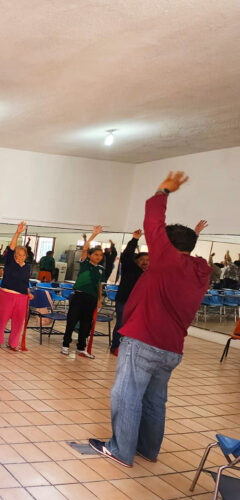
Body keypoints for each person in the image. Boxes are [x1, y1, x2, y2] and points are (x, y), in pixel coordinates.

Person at [90, 172, 211, 467]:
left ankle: (120, 450)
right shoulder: (201, 271)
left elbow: (153, 221)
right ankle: (148, 449)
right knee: (155, 401)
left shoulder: (167, 261)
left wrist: (163, 191)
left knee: (127, 395)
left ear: (167, 246)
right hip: (171, 349)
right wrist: (192, 235)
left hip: (144, 341)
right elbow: (184, 250)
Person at [61, 226, 105, 359]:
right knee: (72, 321)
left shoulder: (101, 269)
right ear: (90, 255)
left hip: (91, 299)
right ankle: (65, 345)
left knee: (86, 324)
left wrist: (99, 299)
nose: (98, 257)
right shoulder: (85, 263)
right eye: (95, 254)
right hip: (79, 296)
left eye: (100, 255)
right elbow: (85, 248)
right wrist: (93, 235)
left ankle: (81, 348)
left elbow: (99, 285)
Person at [110, 230, 149, 355]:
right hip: (124, 301)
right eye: (142, 259)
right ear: (136, 261)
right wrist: (134, 240)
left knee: (137, 326)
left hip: (140, 304)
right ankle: (116, 347)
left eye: (148, 260)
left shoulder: (150, 274)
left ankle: (130, 348)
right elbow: (126, 255)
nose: (145, 262)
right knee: (121, 324)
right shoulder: (130, 269)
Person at [0, 222, 32, 351]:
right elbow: (11, 248)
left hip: (21, 297)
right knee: (2, 319)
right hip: (6, 295)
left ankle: (13, 344)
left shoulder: (27, 267)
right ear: (15, 255)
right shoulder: (10, 262)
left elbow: (25, 282)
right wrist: (18, 233)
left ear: (26, 256)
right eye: (18, 255)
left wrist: (29, 292)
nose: (21, 257)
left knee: (18, 322)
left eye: (23, 255)